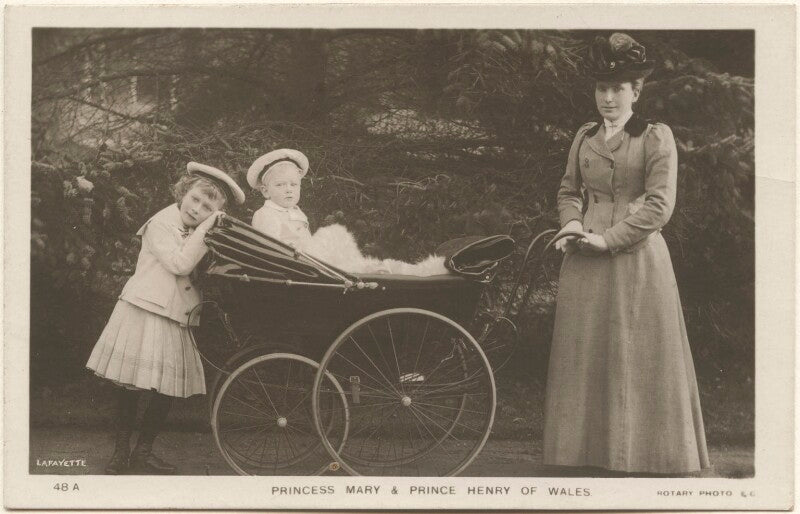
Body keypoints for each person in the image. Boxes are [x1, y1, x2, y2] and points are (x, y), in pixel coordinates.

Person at [543, 32, 710, 475]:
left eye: (618, 89)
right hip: (583, 258)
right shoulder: (584, 136)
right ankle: (583, 457)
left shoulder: (655, 138)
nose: (608, 98)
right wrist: (574, 225)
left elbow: (659, 205)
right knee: (586, 354)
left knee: (634, 353)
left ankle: (647, 457)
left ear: (636, 91)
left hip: (635, 259)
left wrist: (609, 239)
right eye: (601, 88)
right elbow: (568, 189)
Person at [86, 162, 245, 475]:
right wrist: (207, 228)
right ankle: (120, 453)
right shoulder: (161, 221)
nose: (197, 209)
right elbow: (179, 263)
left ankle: (142, 453)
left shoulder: (201, 229)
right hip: (143, 309)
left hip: (176, 314)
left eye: (207, 207)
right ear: (184, 192)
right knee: (129, 384)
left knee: (166, 388)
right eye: (195, 199)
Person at [247, 148, 313, 249]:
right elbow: (270, 249)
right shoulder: (265, 214)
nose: (288, 190)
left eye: (294, 184)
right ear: (265, 191)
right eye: (280, 185)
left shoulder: (296, 212)